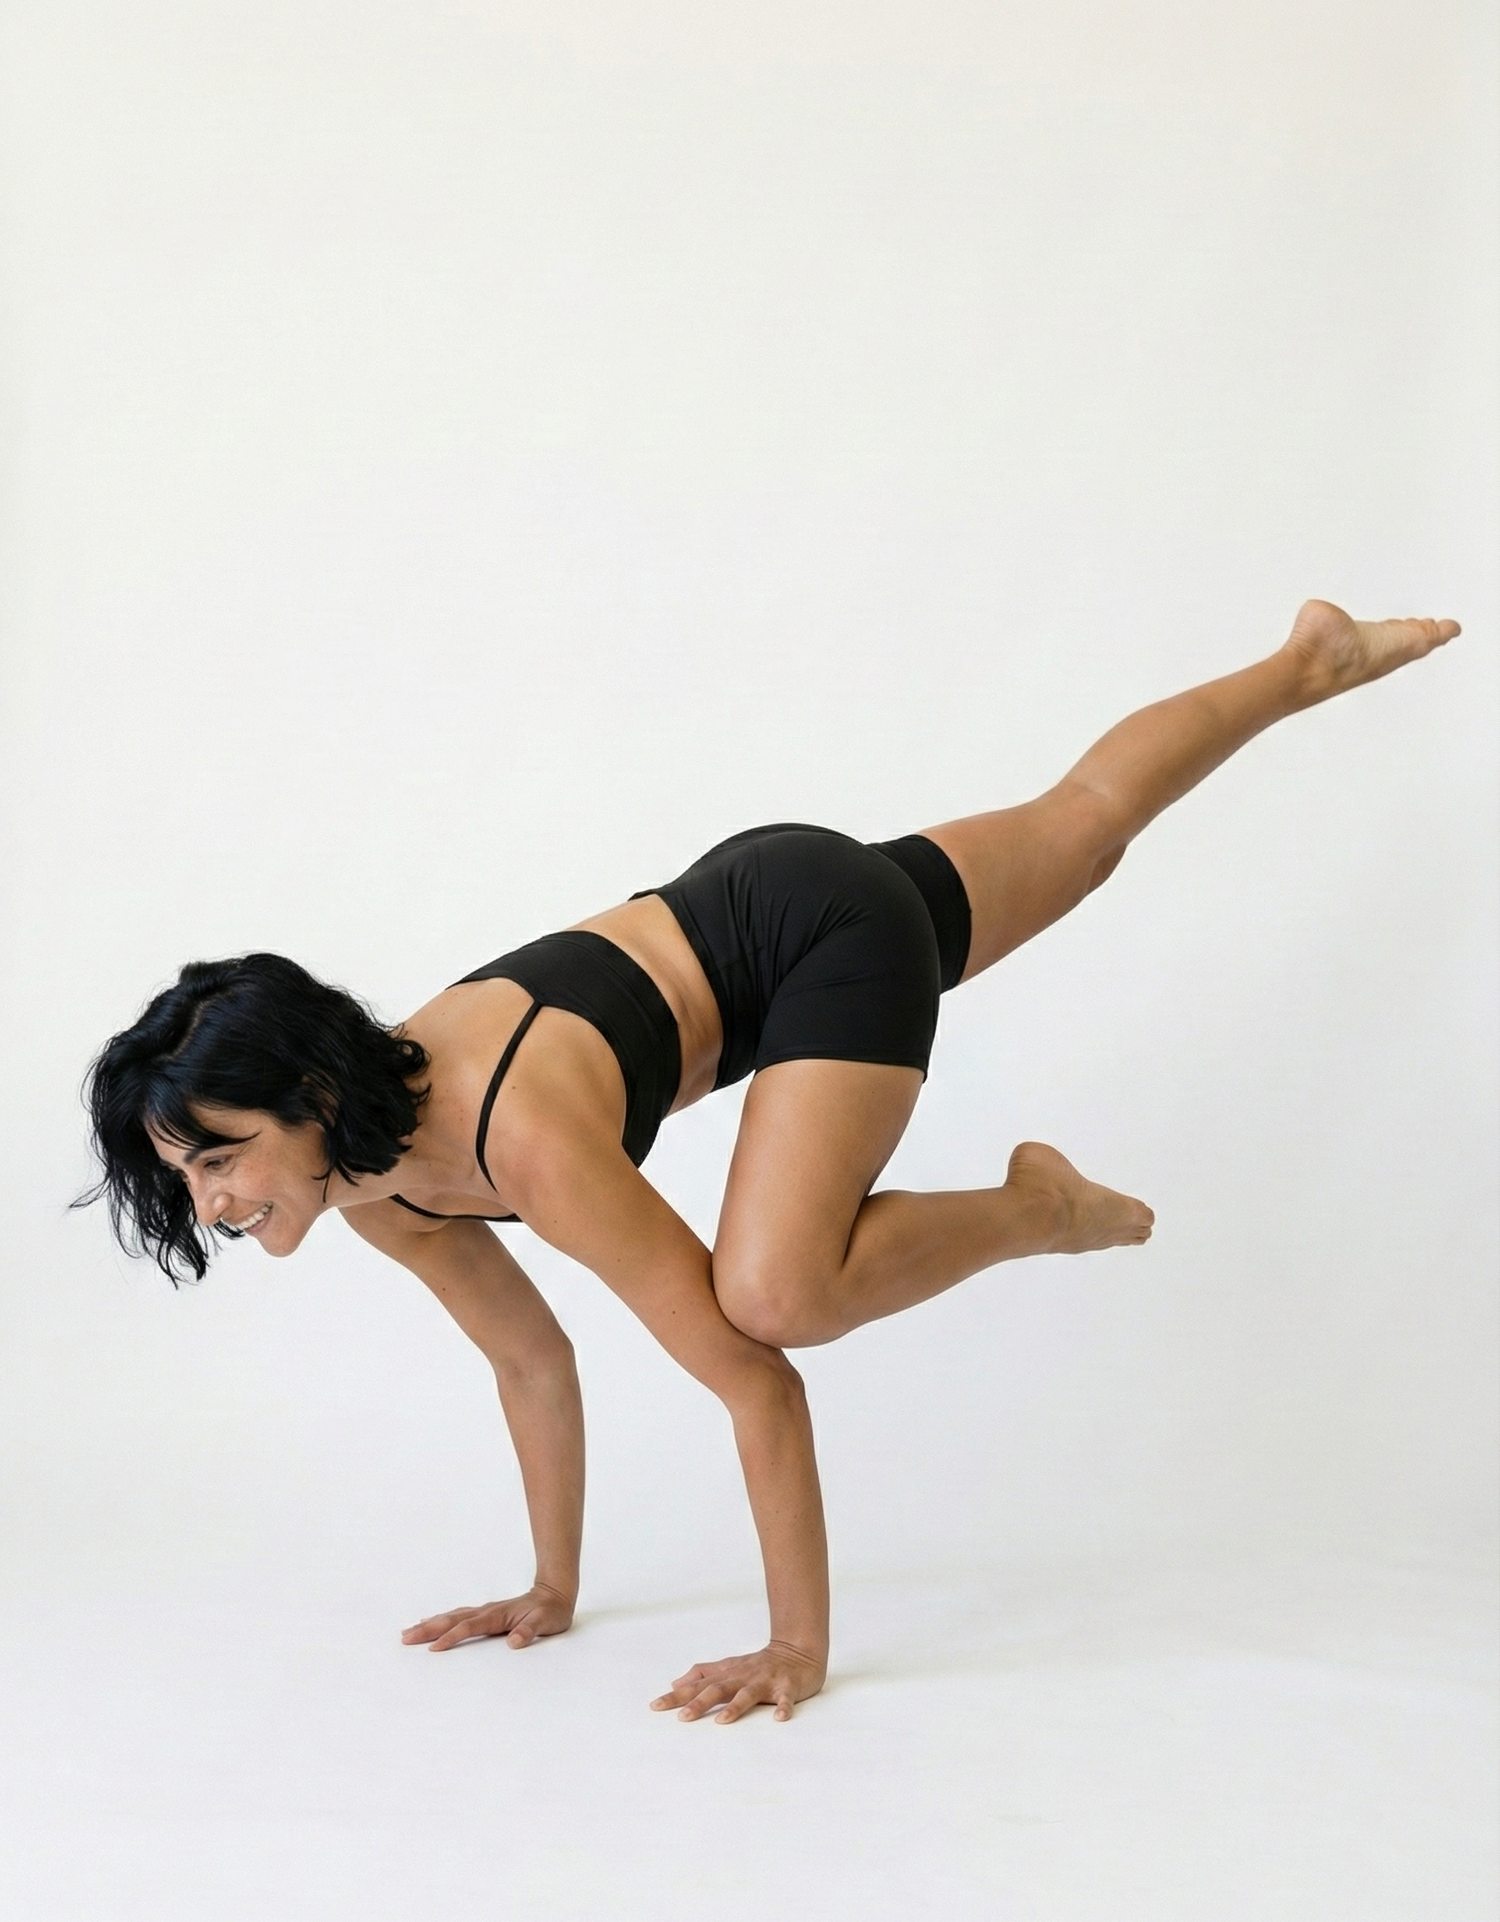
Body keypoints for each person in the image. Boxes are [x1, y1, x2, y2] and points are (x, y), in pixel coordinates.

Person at [82, 601, 1460, 1722]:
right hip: (753, 906)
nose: (213, 1202)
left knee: (774, 1294)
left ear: (311, 1093)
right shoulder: (372, 1182)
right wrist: (550, 1589)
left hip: (810, 930)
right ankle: (1306, 661)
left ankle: (1036, 1203)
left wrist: (794, 1646)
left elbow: (754, 1382)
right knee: (1087, 824)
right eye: (190, 1178)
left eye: (222, 1158)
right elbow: (530, 1361)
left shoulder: (518, 1139)